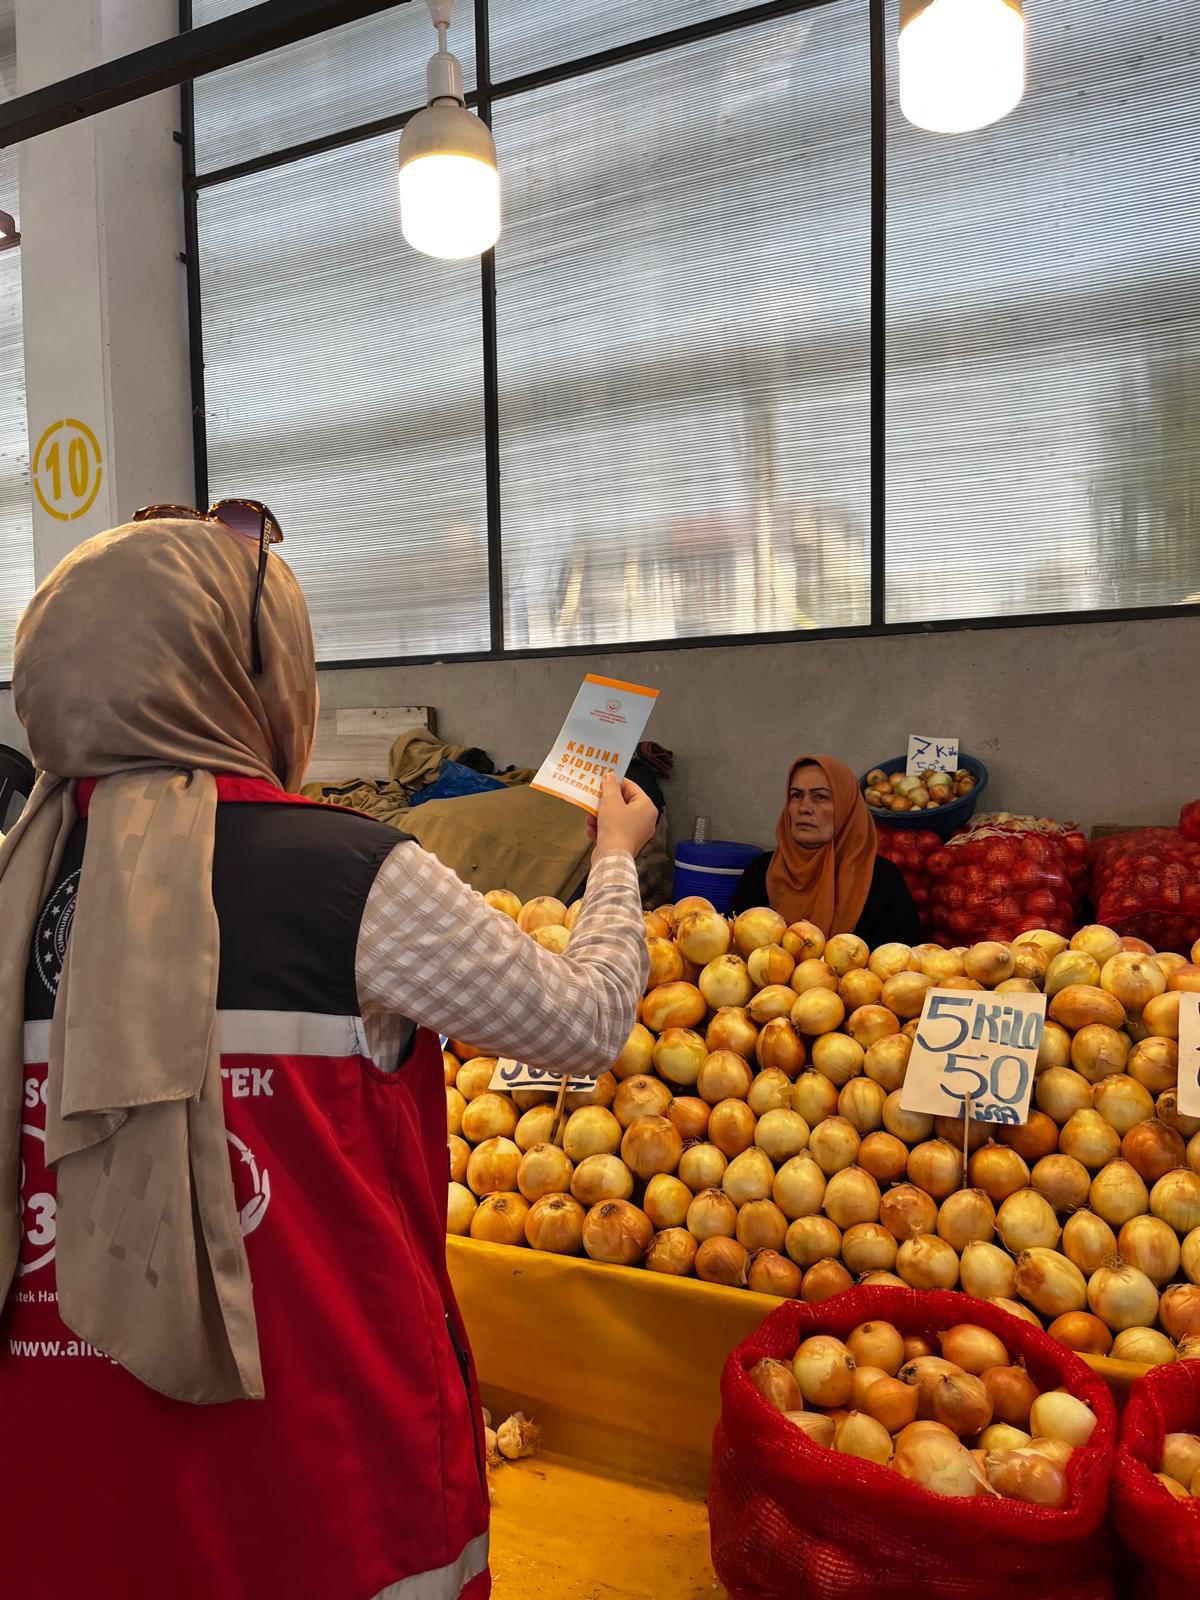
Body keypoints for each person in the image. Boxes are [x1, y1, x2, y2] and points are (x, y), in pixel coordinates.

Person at [0, 511, 655, 1600]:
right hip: (312, 1465)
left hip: (72, 1464)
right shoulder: (351, 879)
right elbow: (581, 1022)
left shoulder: (16, 889)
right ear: (257, 673)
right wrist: (618, 864)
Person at [730, 754, 921, 946]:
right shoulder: (761, 872)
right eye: (796, 795)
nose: (804, 807)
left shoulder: (882, 881)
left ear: (846, 807)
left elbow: (899, 966)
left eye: (820, 797)